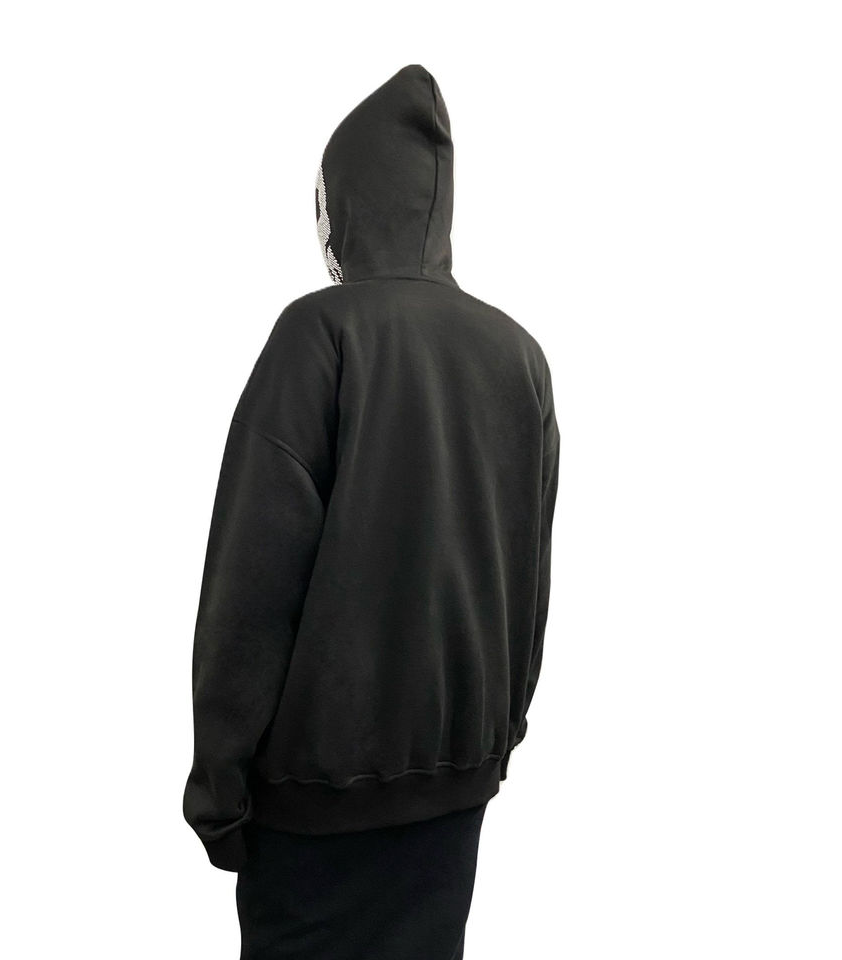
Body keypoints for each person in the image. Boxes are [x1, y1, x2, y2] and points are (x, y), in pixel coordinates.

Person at [183, 63, 561, 960]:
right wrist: (496, 742)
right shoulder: (521, 357)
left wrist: (219, 789)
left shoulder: (320, 333)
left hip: (313, 808)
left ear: (346, 202)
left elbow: (250, 586)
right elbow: (530, 578)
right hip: (454, 803)